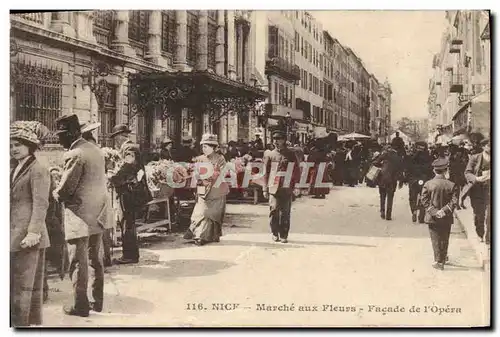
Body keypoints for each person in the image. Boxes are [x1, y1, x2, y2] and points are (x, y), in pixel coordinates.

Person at [52, 114, 108, 317]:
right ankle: (97, 301)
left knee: (78, 261)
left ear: (73, 133)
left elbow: (66, 190)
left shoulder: (75, 154)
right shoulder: (95, 149)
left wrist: (54, 191)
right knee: (95, 258)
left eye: (61, 135)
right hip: (98, 212)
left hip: (79, 215)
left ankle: (80, 305)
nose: (59, 140)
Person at [10, 123, 51, 326]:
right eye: (11, 145)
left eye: (18, 144)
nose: (13, 149)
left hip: (28, 236)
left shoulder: (38, 169)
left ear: (29, 145)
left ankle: (21, 326)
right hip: (13, 233)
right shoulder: (14, 166)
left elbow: (41, 203)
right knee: (14, 286)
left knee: (24, 288)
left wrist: (33, 231)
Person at [109, 135, 151, 264]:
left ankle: (129, 256)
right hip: (134, 196)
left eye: (128, 155)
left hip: (128, 197)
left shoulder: (128, 164)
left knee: (127, 226)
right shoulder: (135, 157)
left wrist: (110, 176)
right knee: (130, 226)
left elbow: (117, 179)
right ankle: (132, 255)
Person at [184, 134, 228, 246]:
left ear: (213, 148)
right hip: (202, 188)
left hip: (216, 190)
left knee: (211, 214)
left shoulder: (220, 159)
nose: (204, 149)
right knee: (201, 212)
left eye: (206, 147)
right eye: (203, 147)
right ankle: (199, 235)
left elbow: (222, 173)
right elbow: (195, 173)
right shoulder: (199, 159)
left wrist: (210, 175)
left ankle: (206, 236)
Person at [262, 130, 301, 243]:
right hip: (273, 186)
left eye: (279, 139)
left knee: (285, 212)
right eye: (274, 139)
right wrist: (265, 188)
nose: (276, 141)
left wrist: (297, 186)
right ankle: (275, 233)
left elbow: (296, 170)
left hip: (286, 186)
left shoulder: (290, 154)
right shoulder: (270, 154)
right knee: (273, 210)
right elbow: (266, 172)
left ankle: (284, 234)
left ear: (284, 140)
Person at [420, 158, 458, 270]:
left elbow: (424, 200)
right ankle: (443, 257)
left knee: (435, 238)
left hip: (432, 217)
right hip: (446, 216)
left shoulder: (428, 184)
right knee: (445, 237)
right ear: (446, 170)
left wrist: (434, 212)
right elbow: (454, 201)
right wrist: (444, 211)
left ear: (434, 170)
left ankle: (438, 261)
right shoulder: (451, 185)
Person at [464, 138, 491, 244]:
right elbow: (467, 173)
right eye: (489, 145)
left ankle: (489, 238)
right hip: (477, 190)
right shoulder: (475, 158)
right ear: (484, 146)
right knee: (479, 215)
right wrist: (476, 178)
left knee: (490, 215)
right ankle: (480, 233)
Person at [404, 141, 434, 223]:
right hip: (424, 180)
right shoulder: (428, 156)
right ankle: (421, 216)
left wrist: (406, 179)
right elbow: (430, 169)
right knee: (424, 197)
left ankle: (413, 211)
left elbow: (407, 168)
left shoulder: (411, 156)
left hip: (413, 180)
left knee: (412, 197)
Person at [372, 144, 404, 220]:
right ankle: (388, 215)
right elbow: (401, 170)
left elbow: (375, 163)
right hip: (393, 180)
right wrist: (401, 181)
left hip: (383, 178)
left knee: (382, 196)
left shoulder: (384, 154)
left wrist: (382, 165)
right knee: (390, 197)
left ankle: (382, 211)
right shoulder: (398, 157)